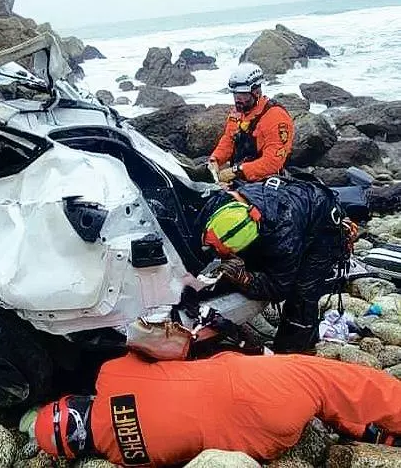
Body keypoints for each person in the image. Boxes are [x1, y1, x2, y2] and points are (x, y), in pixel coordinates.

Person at [25, 351, 401, 467]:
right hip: (258, 388)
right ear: (72, 402)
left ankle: (375, 436)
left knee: (314, 399)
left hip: (264, 442)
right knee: (333, 381)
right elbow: (171, 347)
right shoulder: (111, 375)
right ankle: (388, 416)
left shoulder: (126, 457)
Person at [196, 176, 354, 353]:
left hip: (321, 225)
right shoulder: (222, 202)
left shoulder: (284, 239)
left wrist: (245, 278)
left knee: (302, 294)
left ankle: (292, 352)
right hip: (291, 201)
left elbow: (279, 287)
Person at [208, 62, 294, 185]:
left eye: (243, 95)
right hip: (240, 177)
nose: (238, 99)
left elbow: (273, 162)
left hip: (265, 182)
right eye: (235, 94)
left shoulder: (275, 117)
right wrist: (215, 160)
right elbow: (228, 140)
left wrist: (237, 171)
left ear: (256, 92)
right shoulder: (238, 113)